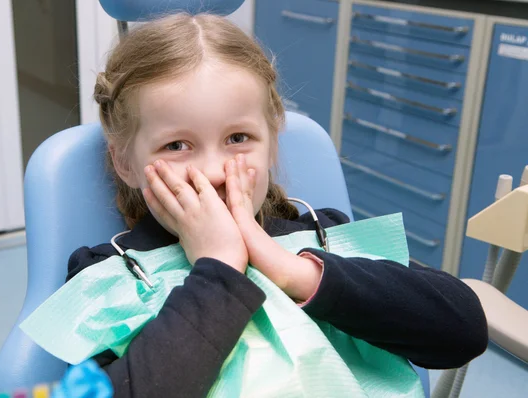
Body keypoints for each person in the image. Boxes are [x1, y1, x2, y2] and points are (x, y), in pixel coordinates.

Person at [66, 12, 488, 397]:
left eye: (238, 139)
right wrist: (219, 271)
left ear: (271, 144)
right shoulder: (106, 273)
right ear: (125, 162)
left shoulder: (320, 236)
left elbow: (463, 331)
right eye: (177, 145)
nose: (214, 170)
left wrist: (294, 271)